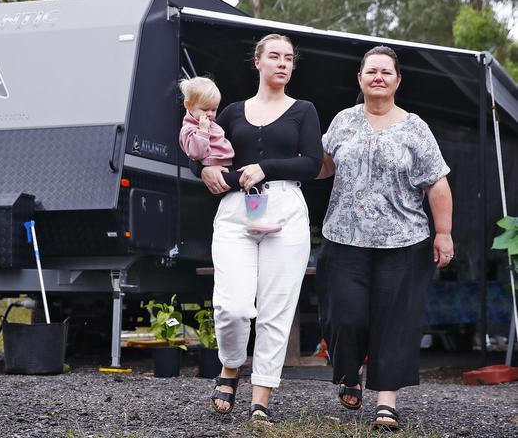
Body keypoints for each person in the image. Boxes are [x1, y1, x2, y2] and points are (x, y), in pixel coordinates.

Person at [316, 45, 454, 430]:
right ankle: (348, 373)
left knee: (396, 322)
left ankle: (386, 403)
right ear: (359, 78)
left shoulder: (415, 127)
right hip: (344, 238)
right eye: (371, 71)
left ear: (397, 81)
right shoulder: (343, 121)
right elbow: (322, 167)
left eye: (386, 72)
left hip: (404, 241)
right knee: (344, 315)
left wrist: (443, 233)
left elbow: (437, 184)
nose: (378, 77)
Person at [193, 34, 323, 422]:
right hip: (236, 209)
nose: (282, 63)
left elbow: (313, 163)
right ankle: (231, 366)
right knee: (232, 305)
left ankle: (261, 394)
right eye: (274, 57)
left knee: (275, 309)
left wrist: (268, 167)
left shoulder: (304, 110)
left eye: (288, 58)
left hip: (284, 208)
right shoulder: (231, 111)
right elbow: (202, 150)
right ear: (257, 62)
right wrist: (204, 170)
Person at [179, 76, 280, 235]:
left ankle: (257, 218)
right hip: (218, 169)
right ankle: (256, 220)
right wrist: (203, 132)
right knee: (250, 178)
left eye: (214, 109)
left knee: (251, 178)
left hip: (227, 164)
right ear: (188, 106)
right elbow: (195, 153)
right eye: (205, 110)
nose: (211, 114)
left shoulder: (209, 122)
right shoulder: (190, 130)